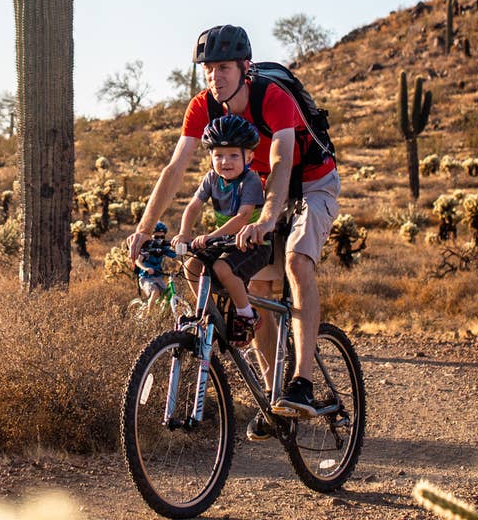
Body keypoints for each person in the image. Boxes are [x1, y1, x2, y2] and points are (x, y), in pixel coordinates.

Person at [127, 24, 340, 441]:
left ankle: (303, 383)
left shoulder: (271, 98)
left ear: (245, 67)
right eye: (208, 69)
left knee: (297, 261)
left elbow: (281, 160)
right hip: (264, 191)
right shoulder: (203, 107)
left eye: (223, 67)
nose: (215, 77)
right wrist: (144, 228)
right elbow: (176, 168)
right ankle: (273, 395)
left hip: (313, 182)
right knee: (257, 288)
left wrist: (266, 220)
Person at [172, 114, 270, 346]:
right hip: (226, 242)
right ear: (210, 157)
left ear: (250, 156)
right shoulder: (211, 179)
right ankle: (209, 313)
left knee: (221, 267)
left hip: (254, 243)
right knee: (191, 266)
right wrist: (184, 233)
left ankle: (247, 316)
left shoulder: (250, 180)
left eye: (234, 155)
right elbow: (194, 205)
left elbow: (243, 216)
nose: (225, 161)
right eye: (219, 155)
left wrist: (212, 236)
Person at [134, 222, 177, 316]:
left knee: (168, 293)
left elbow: (175, 256)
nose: (160, 240)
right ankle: (149, 315)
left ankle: (163, 314)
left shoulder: (163, 247)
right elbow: (138, 261)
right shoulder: (147, 247)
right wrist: (146, 268)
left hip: (158, 276)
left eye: (162, 237)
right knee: (155, 292)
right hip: (146, 277)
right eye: (156, 237)